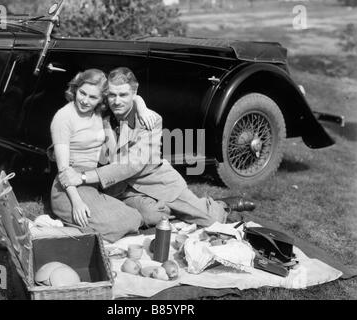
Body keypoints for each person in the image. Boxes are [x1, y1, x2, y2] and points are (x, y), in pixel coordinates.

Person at [59, 67, 254, 228]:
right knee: (153, 218)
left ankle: (221, 204)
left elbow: (133, 165)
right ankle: (168, 213)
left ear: (134, 93)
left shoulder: (150, 120)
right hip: (124, 189)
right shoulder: (101, 116)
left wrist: (83, 177)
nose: (116, 101)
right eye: (112, 95)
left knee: (212, 220)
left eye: (123, 95)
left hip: (159, 183)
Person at [49, 68, 158, 242]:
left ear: (101, 99)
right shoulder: (63, 118)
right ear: (75, 89)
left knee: (140, 216)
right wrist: (77, 203)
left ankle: (94, 218)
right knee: (123, 222)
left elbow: (129, 94)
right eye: (82, 93)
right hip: (69, 187)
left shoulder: (98, 113)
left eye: (93, 97)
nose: (85, 100)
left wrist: (142, 108)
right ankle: (61, 221)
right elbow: (64, 170)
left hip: (92, 180)